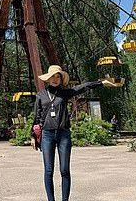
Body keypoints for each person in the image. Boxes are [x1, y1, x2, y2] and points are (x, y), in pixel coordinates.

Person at [31, 65, 117, 201]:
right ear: (48, 79)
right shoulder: (41, 95)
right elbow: (37, 116)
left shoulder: (65, 93)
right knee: (48, 171)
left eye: (58, 76)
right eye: (52, 76)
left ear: (60, 79)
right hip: (47, 135)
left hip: (63, 134)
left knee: (64, 170)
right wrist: (33, 136)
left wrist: (101, 83)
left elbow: (83, 87)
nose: (55, 79)